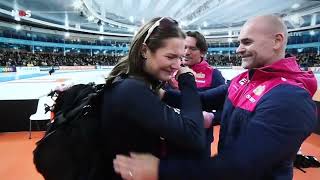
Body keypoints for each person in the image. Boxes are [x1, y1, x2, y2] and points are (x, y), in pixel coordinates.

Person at [113, 15, 318, 180]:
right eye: (239, 42)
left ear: (277, 41)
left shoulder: (290, 98)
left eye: (247, 42)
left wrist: (160, 170)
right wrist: (164, 94)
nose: (238, 50)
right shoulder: (243, 80)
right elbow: (205, 100)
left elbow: (240, 164)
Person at [100, 17, 207, 179]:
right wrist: (187, 81)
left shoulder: (129, 82)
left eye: (180, 58)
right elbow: (195, 137)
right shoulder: (132, 90)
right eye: (170, 57)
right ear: (144, 51)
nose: (178, 65)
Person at [167, 31, 225, 156]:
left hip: (198, 144)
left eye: (192, 48)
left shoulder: (214, 75)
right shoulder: (169, 70)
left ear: (203, 52)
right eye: (184, 47)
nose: (186, 52)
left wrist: (212, 118)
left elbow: (225, 110)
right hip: (170, 139)